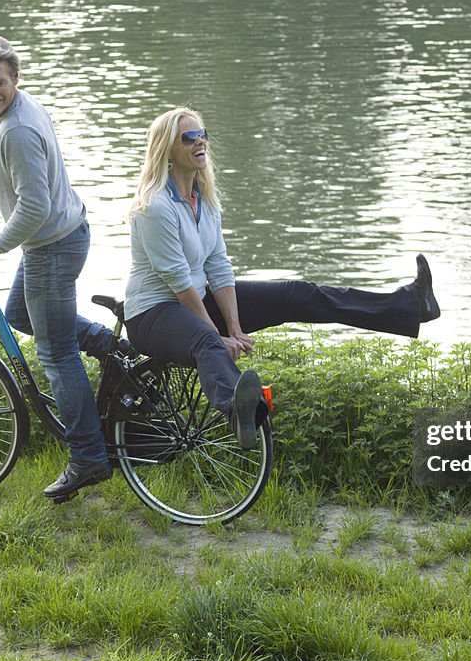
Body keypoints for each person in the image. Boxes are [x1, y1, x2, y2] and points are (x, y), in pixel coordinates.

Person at [124, 106, 441, 449]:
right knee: (206, 342)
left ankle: (409, 305)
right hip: (154, 312)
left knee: (295, 294)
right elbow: (179, 281)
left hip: (194, 301)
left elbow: (217, 266)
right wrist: (218, 335)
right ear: (168, 149)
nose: (201, 141)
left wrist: (234, 327)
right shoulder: (155, 206)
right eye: (190, 136)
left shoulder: (204, 199)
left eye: (204, 134)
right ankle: (238, 411)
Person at [0, 33, 116, 499]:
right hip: (59, 237)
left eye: (0, 84)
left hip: (51, 244)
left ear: (15, 78)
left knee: (56, 352)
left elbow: (34, 209)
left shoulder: (17, 129)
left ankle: (88, 458)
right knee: (22, 316)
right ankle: (111, 348)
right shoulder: (17, 110)